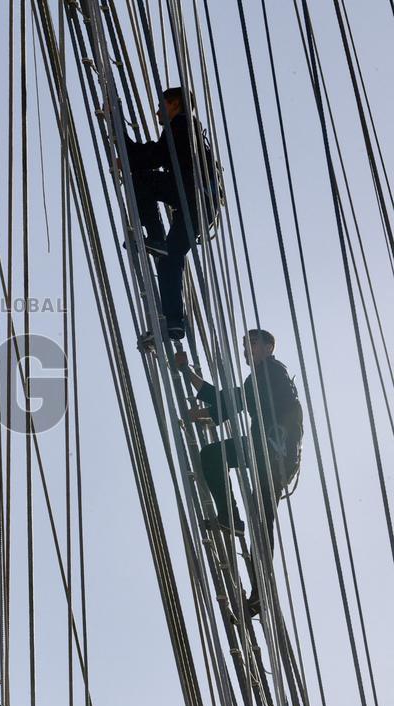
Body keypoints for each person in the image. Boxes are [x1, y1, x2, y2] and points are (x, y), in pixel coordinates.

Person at [175, 329, 303, 615]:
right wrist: (190, 381)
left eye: (253, 343)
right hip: (263, 448)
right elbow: (226, 403)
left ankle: (260, 590)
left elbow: (226, 403)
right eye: (244, 346)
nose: (247, 350)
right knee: (212, 456)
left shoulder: (271, 372)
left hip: (274, 451)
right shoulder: (259, 377)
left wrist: (189, 378)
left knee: (260, 515)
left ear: (270, 346)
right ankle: (231, 518)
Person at [124, 87, 220, 344]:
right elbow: (159, 154)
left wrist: (120, 137)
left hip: (192, 195)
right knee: (170, 260)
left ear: (175, 103)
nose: (157, 111)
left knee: (141, 180)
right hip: (203, 207)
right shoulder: (189, 129)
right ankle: (174, 323)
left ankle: (155, 237)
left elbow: (156, 156)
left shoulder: (181, 124)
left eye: (161, 104)